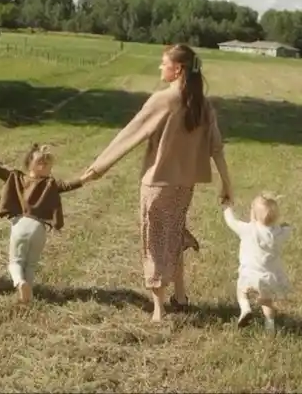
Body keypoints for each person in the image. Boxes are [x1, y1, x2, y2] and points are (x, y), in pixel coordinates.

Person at [84, 43, 233, 322]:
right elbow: (216, 148)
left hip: (157, 185)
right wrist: (227, 184)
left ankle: (158, 309)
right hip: (184, 186)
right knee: (173, 233)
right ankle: (181, 296)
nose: (159, 67)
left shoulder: (163, 99)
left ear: (178, 69)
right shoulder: (202, 103)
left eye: (163, 62)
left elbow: (130, 134)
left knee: (154, 241)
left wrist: (97, 168)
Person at [0, 141, 92, 303]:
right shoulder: (50, 183)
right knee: (31, 264)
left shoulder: (16, 177)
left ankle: (20, 282)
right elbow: (68, 185)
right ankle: (28, 291)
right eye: (44, 163)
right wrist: (85, 178)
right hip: (39, 229)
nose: (46, 167)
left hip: (20, 225)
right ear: (33, 164)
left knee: (15, 262)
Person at [223, 193, 291, 333]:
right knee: (266, 301)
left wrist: (227, 207)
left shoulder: (248, 230)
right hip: (270, 278)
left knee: (241, 291)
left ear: (253, 214)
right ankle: (270, 325)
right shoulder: (278, 233)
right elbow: (287, 229)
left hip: (250, 275)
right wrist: (285, 227)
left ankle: (245, 308)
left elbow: (231, 221)